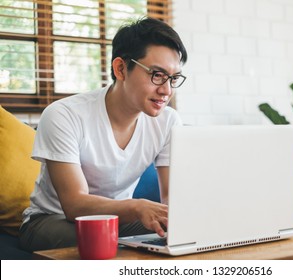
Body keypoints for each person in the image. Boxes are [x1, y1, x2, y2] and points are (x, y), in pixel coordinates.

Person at [19, 17, 188, 252]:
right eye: (157, 75)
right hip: (51, 219)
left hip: (119, 221)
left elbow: (171, 196)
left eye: (173, 78)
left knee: (177, 237)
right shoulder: (64, 115)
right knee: (99, 240)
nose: (166, 90)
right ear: (120, 68)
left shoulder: (168, 121)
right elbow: (74, 204)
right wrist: (137, 207)